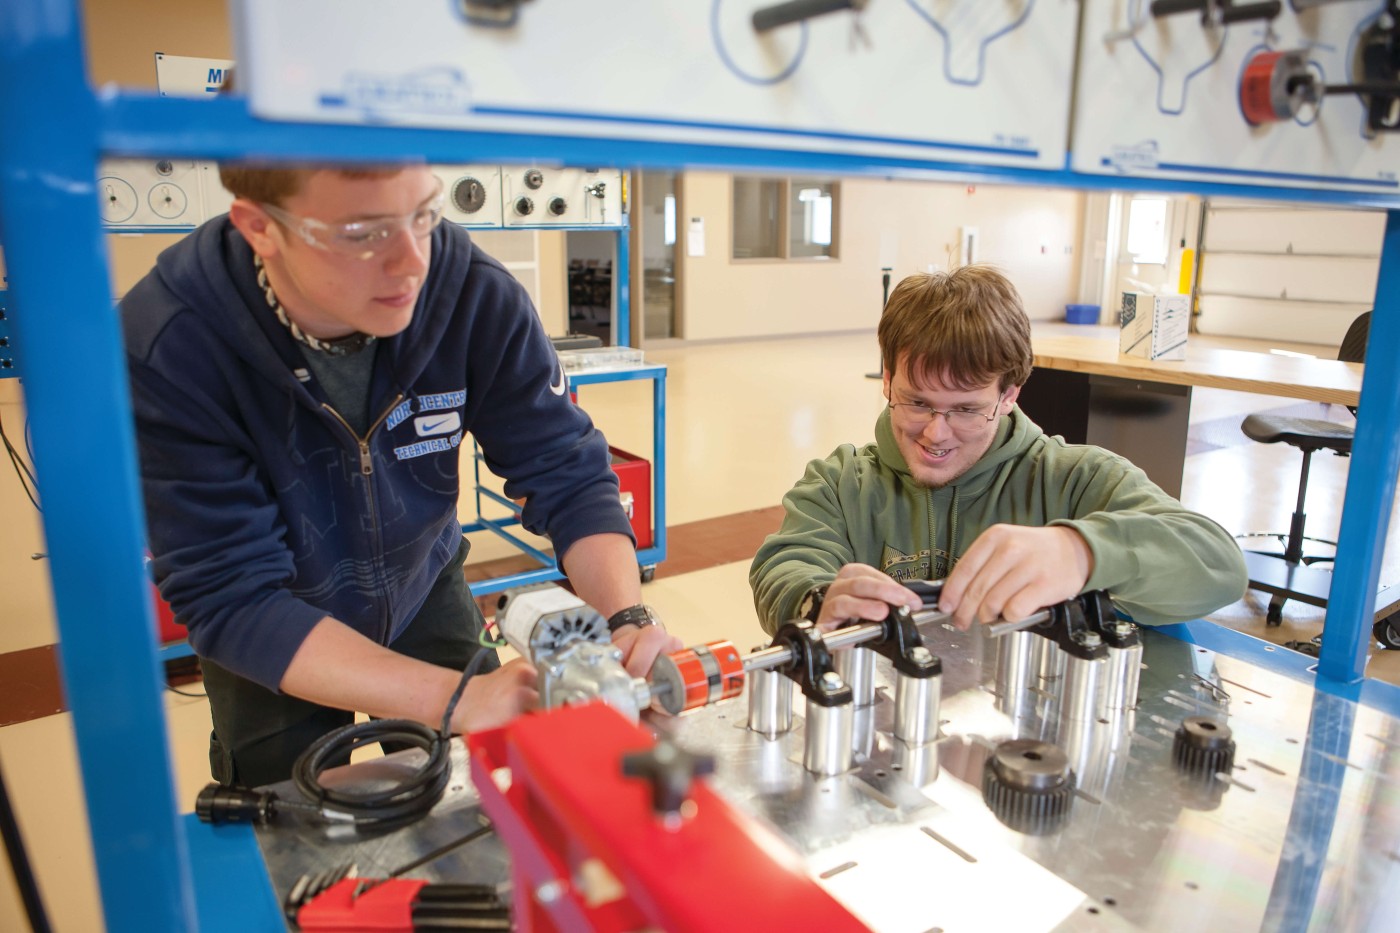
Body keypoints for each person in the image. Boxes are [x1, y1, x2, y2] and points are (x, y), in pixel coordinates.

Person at [121, 163, 678, 786]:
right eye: (363, 232)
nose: (413, 261)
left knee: (478, 788)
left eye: (423, 214)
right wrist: (464, 700)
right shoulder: (171, 344)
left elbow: (566, 470)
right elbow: (232, 594)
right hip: (275, 623)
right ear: (260, 227)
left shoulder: (472, 295)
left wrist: (627, 618)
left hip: (422, 584)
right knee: (289, 817)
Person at [750, 265, 1247, 636]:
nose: (936, 433)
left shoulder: (1076, 479)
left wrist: (1084, 552)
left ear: (1010, 396)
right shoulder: (841, 483)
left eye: (966, 410)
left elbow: (1219, 566)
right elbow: (784, 564)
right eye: (916, 402)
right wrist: (817, 601)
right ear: (886, 380)